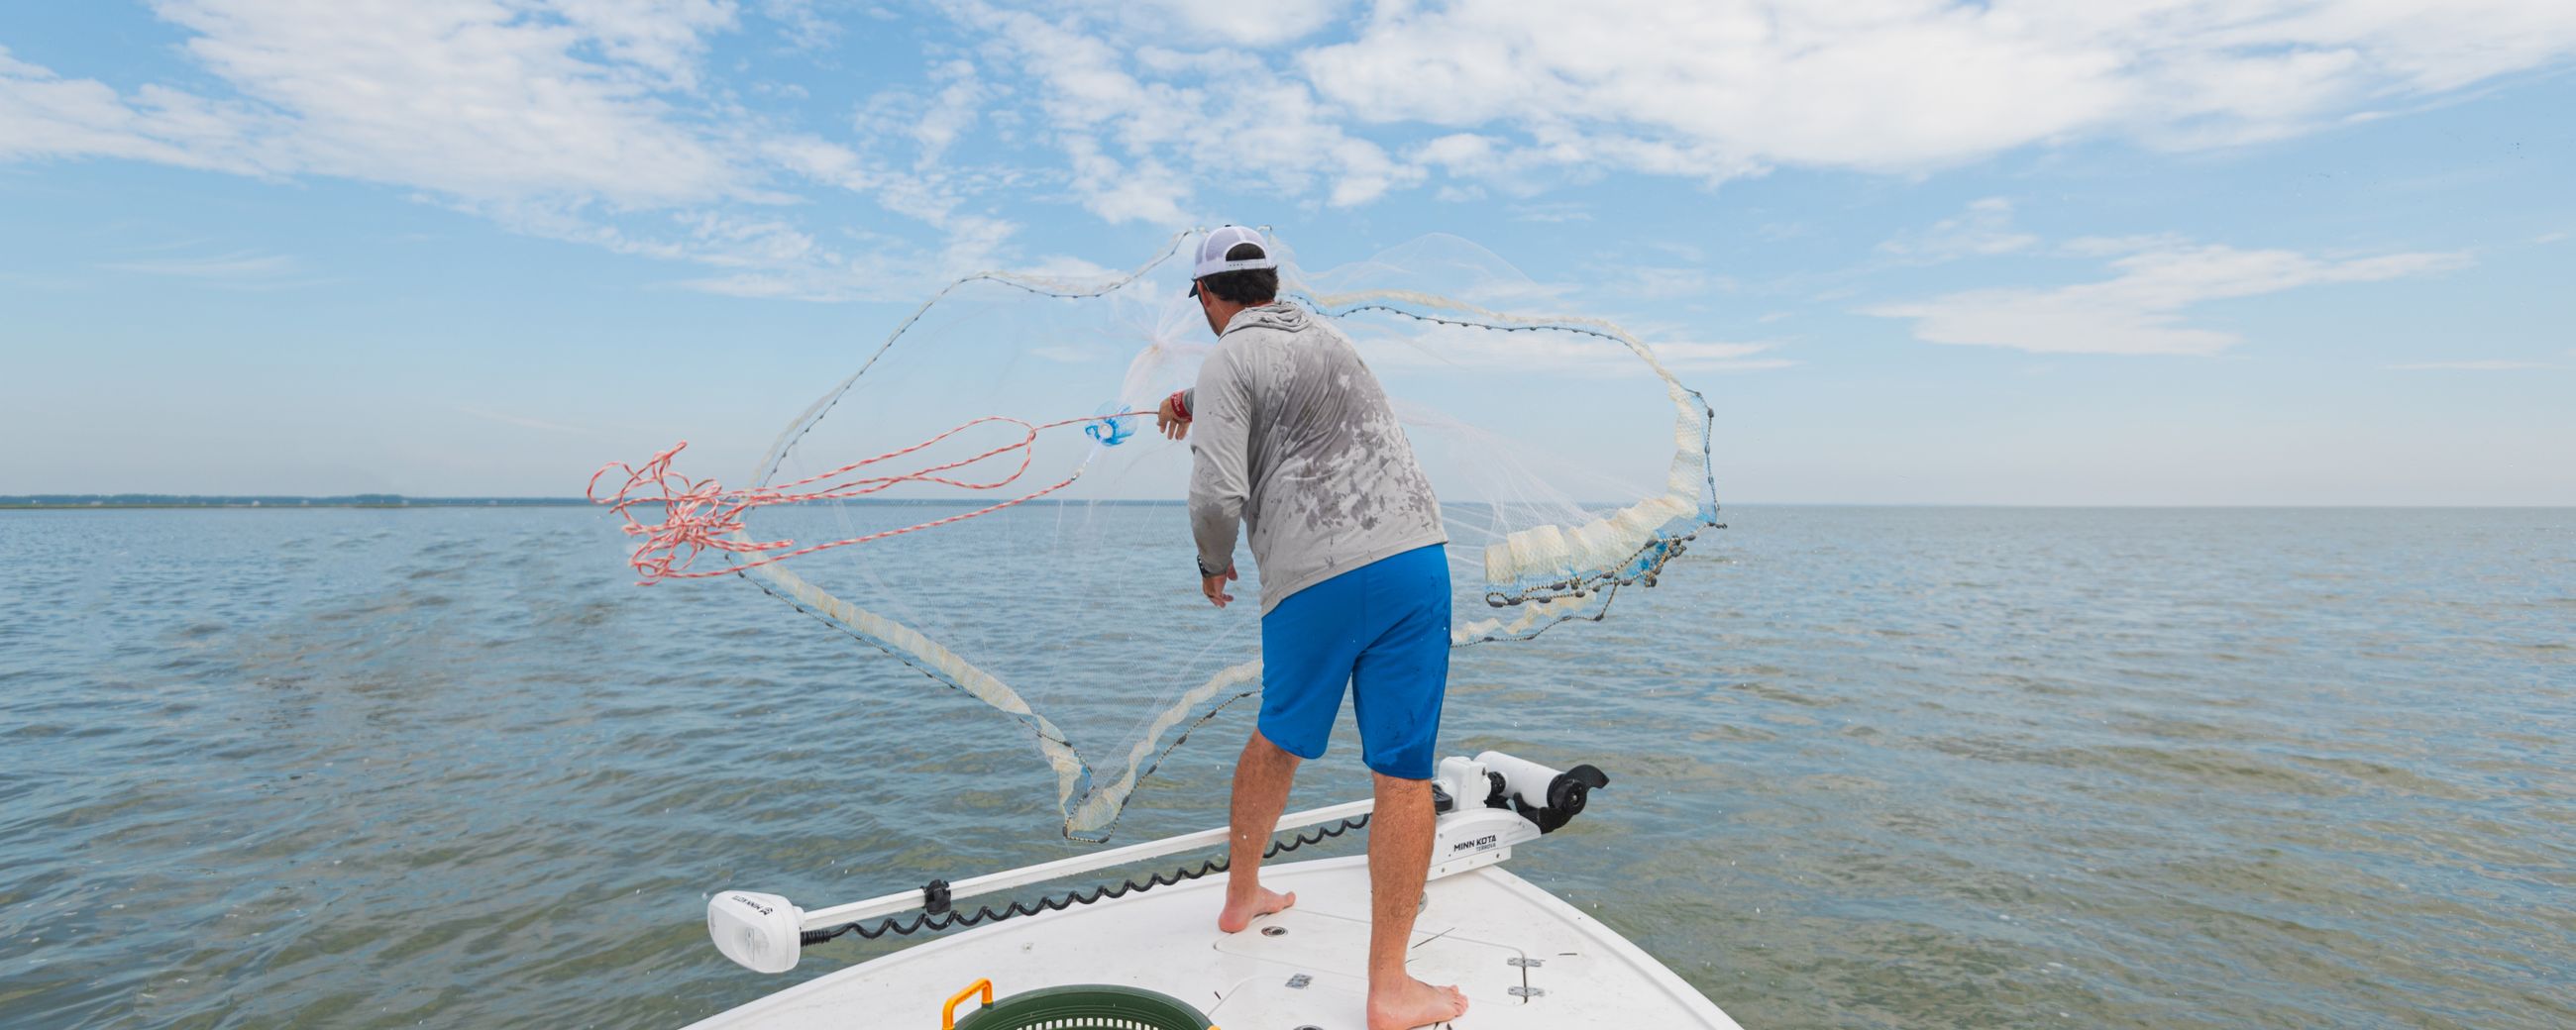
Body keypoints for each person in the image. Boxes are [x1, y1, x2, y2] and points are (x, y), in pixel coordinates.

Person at [1157, 226, 1468, 1030]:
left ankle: (1239, 897)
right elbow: (1289, 388)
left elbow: (1215, 494)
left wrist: (1211, 562)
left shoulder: (1227, 354)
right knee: (1403, 772)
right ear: (1271, 282)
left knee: (1281, 735)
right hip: (1413, 561)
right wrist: (1191, 402)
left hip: (1316, 578)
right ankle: (1390, 988)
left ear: (1205, 297)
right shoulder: (1328, 334)